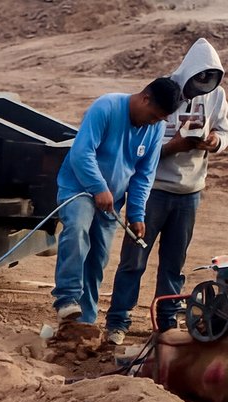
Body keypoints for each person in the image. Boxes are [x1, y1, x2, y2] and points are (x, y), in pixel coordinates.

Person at [107, 40, 228, 344]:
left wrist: (214, 142)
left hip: (190, 192)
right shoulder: (164, 92)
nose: (198, 91)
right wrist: (175, 147)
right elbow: (140, 144)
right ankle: (118, 321)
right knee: (134, 259)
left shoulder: (217, 97)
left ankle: (167, 323)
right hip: (154, 190)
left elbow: (225, 132)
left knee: (174, 263)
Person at [51, 75, 184, 331]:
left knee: (97, 258)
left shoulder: (154, 129)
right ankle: (66, 298)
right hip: (79, 188)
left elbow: (144, 173)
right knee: (77, 230)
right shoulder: (107, 107)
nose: (154, 122)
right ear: (145, 98)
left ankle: (84, 322)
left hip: (111, 201)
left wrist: (137, 214)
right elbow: (82, 152)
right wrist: (98, 187)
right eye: (154, 116)